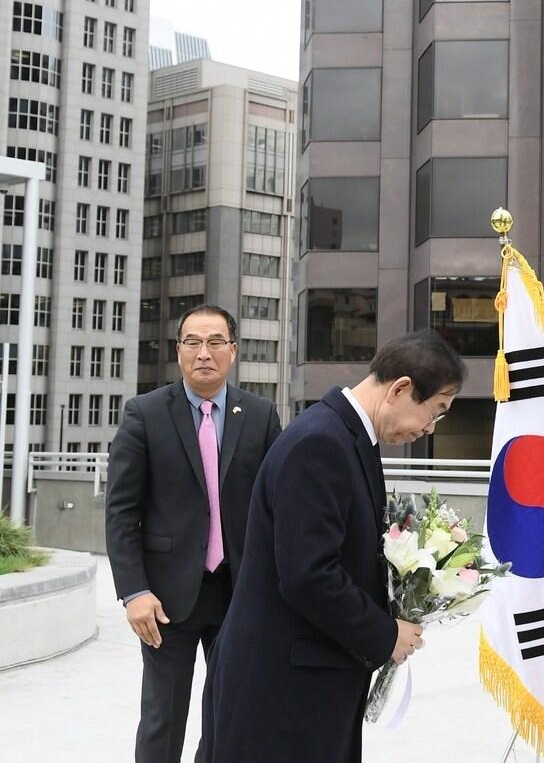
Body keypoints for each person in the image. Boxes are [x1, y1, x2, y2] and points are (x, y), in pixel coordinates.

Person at [203, 330, 463, 761]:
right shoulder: (320, 443)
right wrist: (385, 634)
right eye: (434, 411)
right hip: (281, 691)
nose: (428, 429)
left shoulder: (348, 437)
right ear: (400, 389)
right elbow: (308, 575)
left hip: (306, 680)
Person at [105, 304, 282, 763]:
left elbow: (276, 508)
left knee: (233, 716)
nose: (205, 353)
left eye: (216, 342)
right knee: (163, 719)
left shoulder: (260, 415)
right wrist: (134, 591)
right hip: (165, 599)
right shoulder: (145, 414)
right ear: (179, 350)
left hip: (239, 592)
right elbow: (121, 512)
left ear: (233, 351)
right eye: (193, 342)